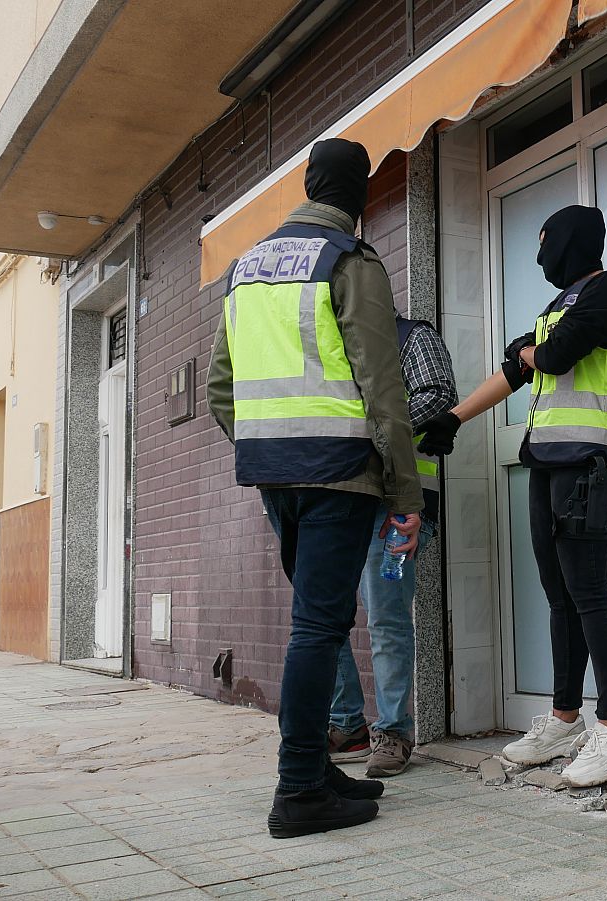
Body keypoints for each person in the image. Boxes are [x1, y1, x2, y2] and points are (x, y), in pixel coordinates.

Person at [207, 138, 422, 838]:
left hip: (276, 475)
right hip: (339, 472)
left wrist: (267, 444)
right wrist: (406, 494)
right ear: (357, 199)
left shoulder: (246, 267)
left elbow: (219, 386)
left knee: (317, 620)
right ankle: (299, 787)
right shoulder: (349, 261)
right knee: (317, 627)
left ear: (306, 186)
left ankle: (317, 770)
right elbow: (382, 386)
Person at [420, 205, 607, 787]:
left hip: (591, 462)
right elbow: (517, 371)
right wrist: (453, 417)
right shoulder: (557, 306)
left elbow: (551, 357)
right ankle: (565, 718)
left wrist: (530, 350)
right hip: (548, 463)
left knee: (590, 593)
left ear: (570, 243)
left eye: (545, 244)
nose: (540, 258)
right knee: (559, 595)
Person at [327, 314, 455, 777]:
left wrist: (372, 431)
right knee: (326, 618)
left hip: (397, 507)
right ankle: (347, 725)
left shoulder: (410, 337)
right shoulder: (331, 345)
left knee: (387, 619)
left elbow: (438, 395)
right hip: (340, 500)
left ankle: (394, 731)